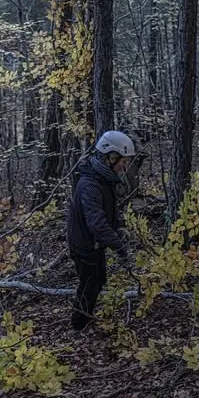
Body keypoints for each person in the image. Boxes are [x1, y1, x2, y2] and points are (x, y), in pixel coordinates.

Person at [66, 130, 136, 332]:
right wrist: (119, 248)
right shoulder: (90, 184)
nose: (124, 166)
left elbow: (108, 209)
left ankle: (84, 319)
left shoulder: (103, 178)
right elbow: (96, 223)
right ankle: (78, 327)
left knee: (98, 281)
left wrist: (118, 228)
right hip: (84, 244)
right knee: (89, 285)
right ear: (111, 157)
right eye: (123, 161)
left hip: (93, 243)